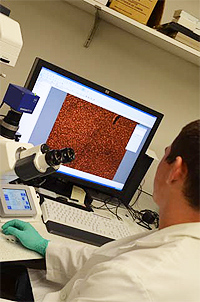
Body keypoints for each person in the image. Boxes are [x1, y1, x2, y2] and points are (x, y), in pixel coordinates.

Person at [1, 120, 200, 302]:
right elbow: (103, 261)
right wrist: (46, 247)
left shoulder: (134, 279)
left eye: (167, 152)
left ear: (175, 172)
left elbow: (118, 273)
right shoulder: (182, 242)